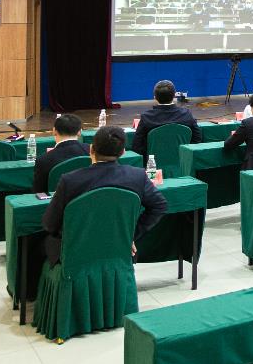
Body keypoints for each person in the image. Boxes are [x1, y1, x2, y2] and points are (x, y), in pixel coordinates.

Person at [42, 125, 167, 265]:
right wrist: (128, 235)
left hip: (77, 255)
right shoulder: (137, 176)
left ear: (91, 149)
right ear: (123, 152)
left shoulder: (70, 180)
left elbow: (49, 224)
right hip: (119, 250)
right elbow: (159, 205)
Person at [132, 80, 203, 158]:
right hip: (183, 162)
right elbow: (197, 139)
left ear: (155, 97)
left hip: (153, 164)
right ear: (174, 96)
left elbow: (137, 146)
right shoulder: (186, 114)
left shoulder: (146, 117)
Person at [32, 114, 89, 194]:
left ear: (54, 131)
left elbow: (39, 193)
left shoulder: (43, 160)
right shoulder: (91, 151)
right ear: (79, 132)